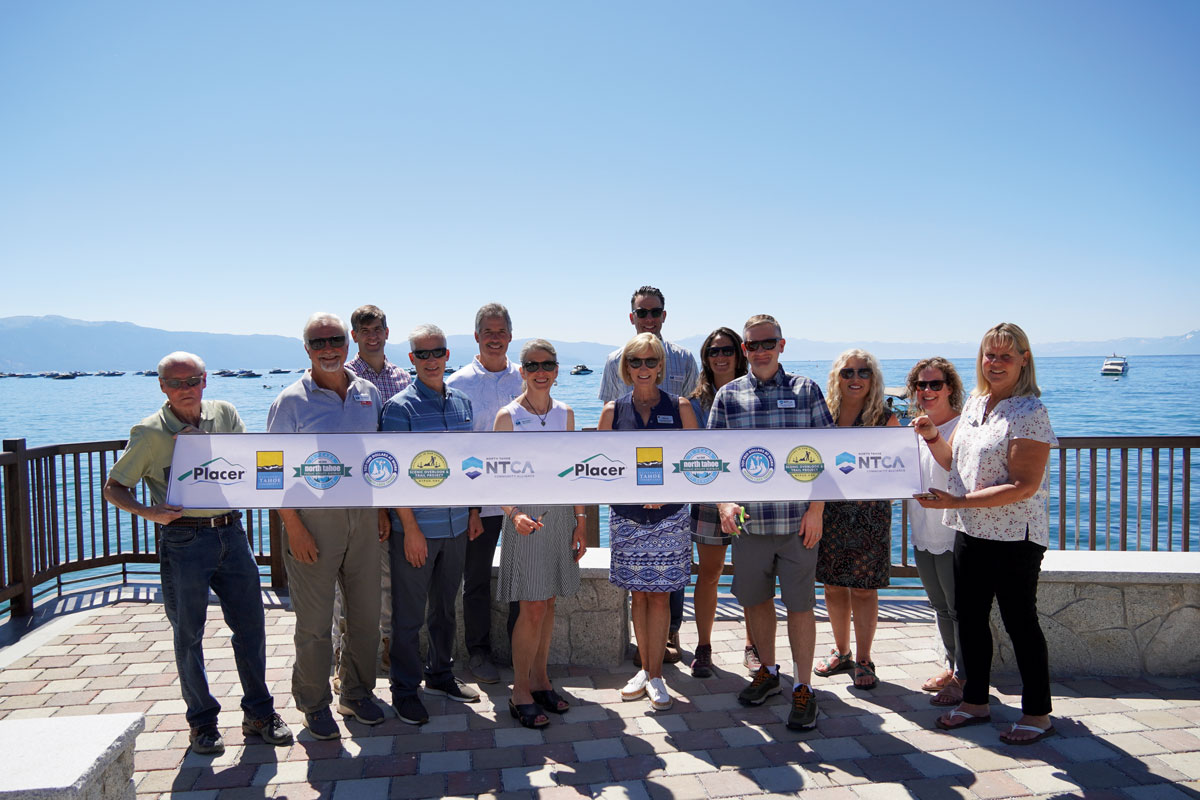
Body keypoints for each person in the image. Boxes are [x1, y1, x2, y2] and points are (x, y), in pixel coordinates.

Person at [103, 352, 293, 755]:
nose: (185, 389)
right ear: (162, 387)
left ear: (205, 380)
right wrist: (149, 512)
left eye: (192, 380)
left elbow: (245, 463)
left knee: (252, 627)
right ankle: (202, 723)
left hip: (232, 532)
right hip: (183, 541)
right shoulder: (149, 432)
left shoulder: (225, 413)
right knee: (188, 634)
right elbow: (114, 487)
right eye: (175, 383)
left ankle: (259, 712)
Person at [915, 322, 1058, 745]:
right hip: (971, 531)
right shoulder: (977, 403)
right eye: (989, 355)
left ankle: (1037, 714)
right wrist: (930, 436)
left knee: (1020, 623)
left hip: (1015, 538)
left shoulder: (1030, 411)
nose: (994, 363)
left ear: (1023, 360)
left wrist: (956, 503)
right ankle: (975, 701)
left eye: (1005, 356)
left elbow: (1023, 485)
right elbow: (950, 461)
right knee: (971, 620)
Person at [709, 314, 833, 732]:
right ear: (744, 350)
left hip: (799, 523)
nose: (760, 351)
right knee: (755, 603)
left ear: (782, 345)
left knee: (800, 607)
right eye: (752, 345)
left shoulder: (807, 390)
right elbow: (711, 461)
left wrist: (816, 511)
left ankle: (803, 687)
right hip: (749, 526)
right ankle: (768, 672)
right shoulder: (727, 397)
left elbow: (828, 457)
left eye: (768, 343)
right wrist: (724, 503)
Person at [267, 313, 387, 739]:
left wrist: (383, 511)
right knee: (315, 624)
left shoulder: (368, 393)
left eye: (336, 339)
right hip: (312, 523)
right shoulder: (291, 401)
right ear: (307, 350)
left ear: (348, 343)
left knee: (366, 617)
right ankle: (314, 703)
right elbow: (270, 470)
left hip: (364, 516)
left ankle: (356, 693)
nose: (329, 348)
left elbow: (380, 460)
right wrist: (293, 528)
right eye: (319, 343)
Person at [381, 324, 480, 726]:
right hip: (416, 531)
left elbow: (469, 463)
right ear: (412, 360)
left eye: (437, 352)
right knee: (408, 617)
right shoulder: (399, 409)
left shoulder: (462, 404)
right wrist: (411, 528)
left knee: (445, 609)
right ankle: (405, 690)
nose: (431, 360)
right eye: (422, 354)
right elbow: (392, 474)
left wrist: (473, 511)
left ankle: (440, 675)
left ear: (447, 354)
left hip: (457, 525)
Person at [598, 286, 699, 664]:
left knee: (666, 588)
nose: (649, 318)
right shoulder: (612, 364)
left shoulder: (685, 361)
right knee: (638, 591)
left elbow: (691, 447)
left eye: (655, 311)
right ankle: (647, 654)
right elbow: (607, 450)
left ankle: (669, 637)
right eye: (643, 312)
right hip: (629, 509)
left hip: (669, 506)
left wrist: (670, 486)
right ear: (632, 317)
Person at [493, 339, 588, 728]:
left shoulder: (566, 413)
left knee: (547, 603)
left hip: (561, 516)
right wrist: (513, 513)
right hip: (525, 520)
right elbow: (492, 477)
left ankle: (541, 680)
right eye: (532, 365)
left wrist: (581, 518)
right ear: (522, 371)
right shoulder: (507, 416)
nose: (541, 371)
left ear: (557, 369)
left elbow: (575, 469)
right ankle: (519, 691)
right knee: (531, 606)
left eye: (547, 364)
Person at [445, 303, 523, 685]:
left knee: (523, 576)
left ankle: (519, 648)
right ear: (476, 337)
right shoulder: (458, 383)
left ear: (510, 336)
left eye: (501, 331)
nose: (494, 338)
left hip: (522, 500)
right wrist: (472, 507)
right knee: (474, 579)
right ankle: (478, 652)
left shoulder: (525, 379)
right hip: (479, 503)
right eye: (487, 332)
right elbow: (461, 451)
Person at [813, 349, 899, 691]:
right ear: (837, 378)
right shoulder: (824, 415)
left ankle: (864, 659)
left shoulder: (886, 418)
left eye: (863, 372)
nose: (855, 378)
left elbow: (898, 470)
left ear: (873, 379)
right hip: (829, 513)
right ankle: (842, 651)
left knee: (864, 591)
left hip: (870, 514)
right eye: (847, 372)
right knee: (833, 586)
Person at [338, 304, 411, 679]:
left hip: (398, 497)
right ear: (354, 336)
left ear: (387, 331)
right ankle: (342, 660)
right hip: (359, 499)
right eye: (364, 330)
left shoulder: (402, 378)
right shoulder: (344, 377)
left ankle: (387, 651)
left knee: (390, 582)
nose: (372, 335)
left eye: (377, 328)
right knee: (348, 585)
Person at [685, 327, 756, 678]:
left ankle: (752, 645)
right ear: (705, 357)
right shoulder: (695, 400)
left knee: (753, 574)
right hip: (709, 496)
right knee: (709, 574)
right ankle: (704, 645)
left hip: (750, 494)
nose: (721, 356)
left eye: (727, 349)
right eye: (713, 351)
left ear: (739, 353)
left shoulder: (754, 392)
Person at [904, 357, 966, 706]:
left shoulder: (962, 425)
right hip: (922, 530)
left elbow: (955, 466)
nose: (927, 391)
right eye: (921, 385)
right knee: (940, 606)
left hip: (953, 532)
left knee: (960, 607)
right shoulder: (910, 431)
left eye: (935, 384)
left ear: (950, 388)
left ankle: (964, 677)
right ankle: (951, 665)